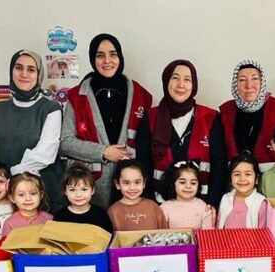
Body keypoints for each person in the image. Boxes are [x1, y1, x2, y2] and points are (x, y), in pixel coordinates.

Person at [60, 33, 153, 209]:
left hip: (129, 187)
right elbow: (65, 142)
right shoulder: (77, 96)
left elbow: (147, 145)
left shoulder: (141, 95)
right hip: (89, 189)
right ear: (92, 59)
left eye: (113, 54)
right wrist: (103, 152)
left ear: (120, 57)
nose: (107, 61)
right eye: (100, 55)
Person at [136, 59, 227, 207]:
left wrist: (213, 203)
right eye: (175, 78)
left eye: (187, 79)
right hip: (161, 206)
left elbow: (219, 166)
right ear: (166, 81)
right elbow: (143, 165)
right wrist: (150, 205)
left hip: (202, 207)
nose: (181, 85)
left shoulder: (210, 117)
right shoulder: (150, 118)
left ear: (194, 85)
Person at [0, 49, 63, 212]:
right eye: (19, 68)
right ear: (11, 71)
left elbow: (45, 153)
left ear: (38, 75)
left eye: (31, 70)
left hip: (38, 194)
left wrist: (8, 176)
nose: (24, 74)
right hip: (3, 192)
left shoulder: (51, 109)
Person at [107, 159, 168, 231]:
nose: (132, 188)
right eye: (126, 183)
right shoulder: (113, 211)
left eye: (137, 182)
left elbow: (165, 233)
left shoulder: (153, 206)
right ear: (117, 184)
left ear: (144, 183)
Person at [53, 163, 114, 233]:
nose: (78, 195)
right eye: (72, 190)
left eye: (84, 189)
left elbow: (109, 237)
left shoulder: (101, 215)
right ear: (65, 191)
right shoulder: (60, 216)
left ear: (92, 190)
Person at [217, 152, 268, 229]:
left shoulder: (261, 203)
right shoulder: (225, 199)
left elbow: (262, 233)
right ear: (230, 178)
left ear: (256, 178)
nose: (242, 179)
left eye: (248, 174)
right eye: (237, 174)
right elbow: (218, 227)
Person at [159, 161, 214, 229]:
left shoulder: (204, 208)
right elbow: (161, 233)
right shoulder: (164, 208)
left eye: (193, 183)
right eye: (182, 182)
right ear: (172, 183)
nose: (188, 186)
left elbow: (207, 233)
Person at [2, 172, 53, 236]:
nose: (28, 198)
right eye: (21, 195)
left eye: (33, 193)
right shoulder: (9, 223)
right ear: (12, 198)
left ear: (41, 195)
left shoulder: (49, 219)